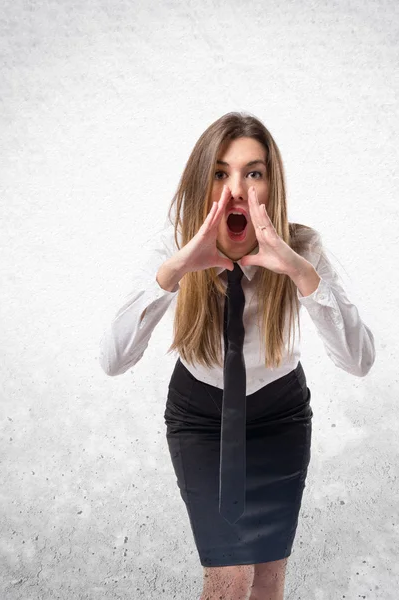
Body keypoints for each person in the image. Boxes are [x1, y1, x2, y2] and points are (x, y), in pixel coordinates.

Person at [99, 112, 375, 600]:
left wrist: (301, 273)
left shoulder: (304, 247)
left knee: (268, 579)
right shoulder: (172, 245)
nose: (236, 189)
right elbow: (113, 359)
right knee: (230, 579)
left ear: (271, 184)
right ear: (201, 183)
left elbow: (358, 361)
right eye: (220, 173)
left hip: (280, 417)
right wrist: (178, 267)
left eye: (253, 173)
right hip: (201, 419)